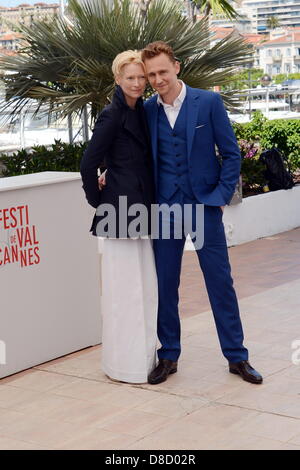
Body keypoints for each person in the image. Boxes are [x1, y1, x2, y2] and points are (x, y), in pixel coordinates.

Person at [140, 41, 263, 385]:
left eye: (162, 71)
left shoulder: (207, 102)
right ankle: (169, 356)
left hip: (203, 205)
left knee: (220, 282)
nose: (157, 79)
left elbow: (231, 154)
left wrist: (221, 197)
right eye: (151, 74)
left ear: (176, 67)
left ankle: (237, 357)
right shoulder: (147, 110)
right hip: (164, 208)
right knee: (166, 284)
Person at [80, 50, 158, 384]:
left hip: (141, 208)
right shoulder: (111, 115)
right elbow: (87, 164)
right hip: (118, 212)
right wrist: (100, 201)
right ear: (118, 79)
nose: (138, 83)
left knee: (145, 288)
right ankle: (125, 364)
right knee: (124, 292)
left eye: (142, 77)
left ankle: (143, 359)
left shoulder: (142, 111)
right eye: (131, 77)